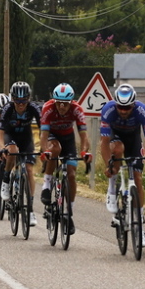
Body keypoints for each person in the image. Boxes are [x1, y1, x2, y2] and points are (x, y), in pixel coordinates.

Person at [99, 84, 145, 248]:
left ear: (134, 104)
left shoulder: (142, 111)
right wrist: (108, 164)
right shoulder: (108, 110)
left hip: (133, 138)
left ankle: (139, 225)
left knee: (138, 178)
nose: (123, 111)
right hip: (115, 136)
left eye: (127, 107)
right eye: (120, 107)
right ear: (115, 104)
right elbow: (104, 143)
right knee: (117, 150)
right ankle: (112, 189)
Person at [39, 83, 90, 235]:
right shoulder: (48, 108)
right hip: (52, 136)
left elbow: (83, 135)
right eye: (59, 103)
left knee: (72, 175)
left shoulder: (77, 109)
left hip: (68, 138)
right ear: (54, 101)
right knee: (55, 149)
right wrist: (44, 151)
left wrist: (84, 152)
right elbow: (43, 136)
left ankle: (69, 212)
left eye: (65, 104)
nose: (61, 107)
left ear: (71, 102)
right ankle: (47, 184)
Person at [0, 81, 42, 227]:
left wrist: (44, 145)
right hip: (11, 137)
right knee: (13, 151)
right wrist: (2, 147)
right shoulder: (8, 109)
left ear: (29, 98)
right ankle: (6, 180)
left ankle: (30, 209)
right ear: (12, 99)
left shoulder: (34, 108)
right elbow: (0, 132)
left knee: (29, 170)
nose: (21, 104)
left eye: (24, 101)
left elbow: (44, 129)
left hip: (26, 139)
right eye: (17, 100)